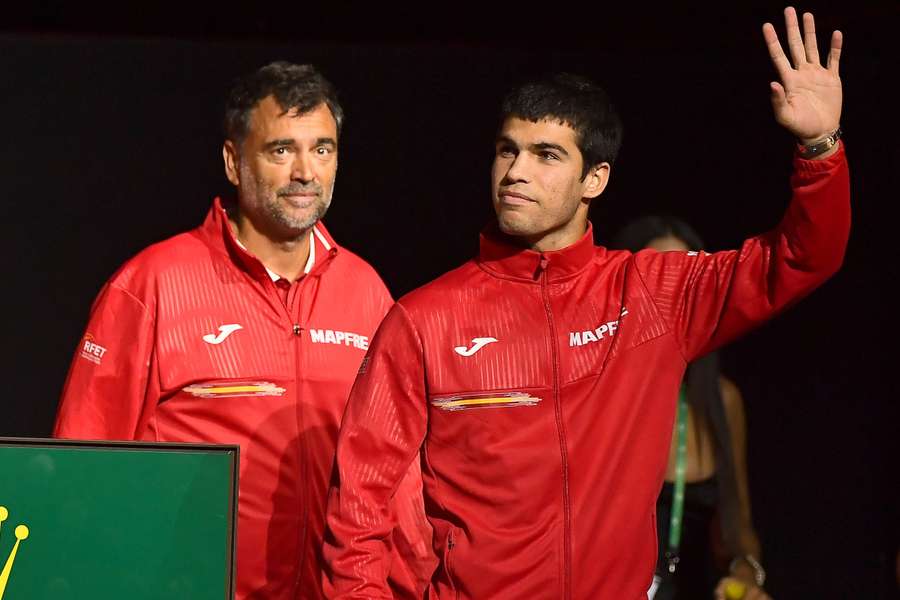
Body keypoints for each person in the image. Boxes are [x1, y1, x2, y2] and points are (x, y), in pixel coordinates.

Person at [323, 7, 847, 599]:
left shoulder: (654, 297)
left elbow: (803, 258)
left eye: (547, 155)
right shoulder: (423, 319)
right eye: (507, 150)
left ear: (594, 179)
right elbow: (359, 501)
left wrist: (819, 147)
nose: (516, 171)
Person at [52, 61, 432, 600]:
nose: (306, 171)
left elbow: (400, 479)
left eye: (322, 149)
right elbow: (80, 473)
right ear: (234, 162)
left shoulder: (367, 291)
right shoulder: (153, 283)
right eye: (281, 150)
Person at [610, 216, 770, 600]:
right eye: (656, 279)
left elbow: (736, 527)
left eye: (685, 281)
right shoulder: (600, 393)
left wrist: (747, 574)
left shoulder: (720, 398)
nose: (671, 297)